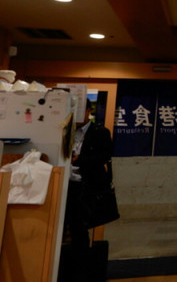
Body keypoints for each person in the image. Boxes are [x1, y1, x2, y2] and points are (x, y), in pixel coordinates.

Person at [63, 99, 114, 281]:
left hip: (85, 188)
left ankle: (81, 273)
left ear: (88, 111)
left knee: (80, 230)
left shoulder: (100, 132)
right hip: (64, 185)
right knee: (63, 229)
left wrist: (81, 160)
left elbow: (105, 156)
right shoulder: (64, 130)